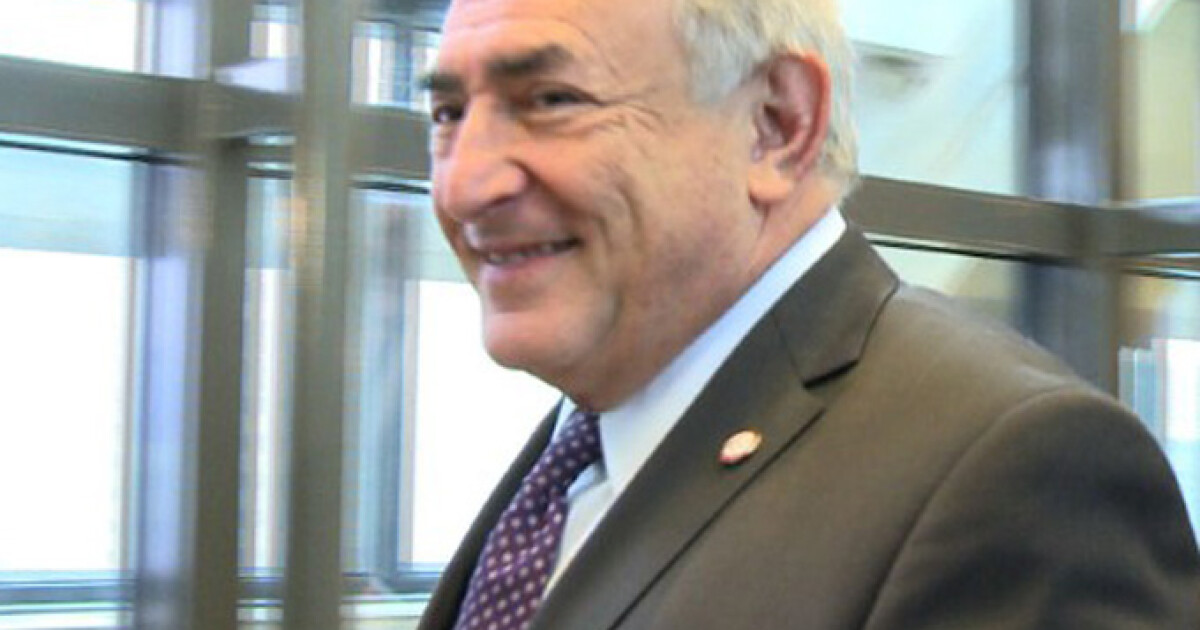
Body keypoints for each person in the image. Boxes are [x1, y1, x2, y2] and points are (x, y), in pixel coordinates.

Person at [416, 0, 1200, 627]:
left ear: (776, 126)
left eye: (552, 101)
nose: (463, 185)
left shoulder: (1019, 476)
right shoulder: (583, 450)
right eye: (448, 113)